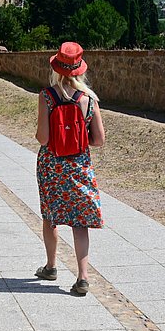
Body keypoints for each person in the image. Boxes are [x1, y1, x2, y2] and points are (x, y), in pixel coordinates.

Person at [34, 42, 106, 296]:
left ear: (57, 68)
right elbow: (98, 140)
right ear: (79, 69)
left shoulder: (46, 97)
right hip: (79, 165)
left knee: (50, 216)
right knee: (80, 222)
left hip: (52, 165)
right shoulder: (89, 99)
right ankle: (83, 277)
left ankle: (51, 266)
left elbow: (43, 138)